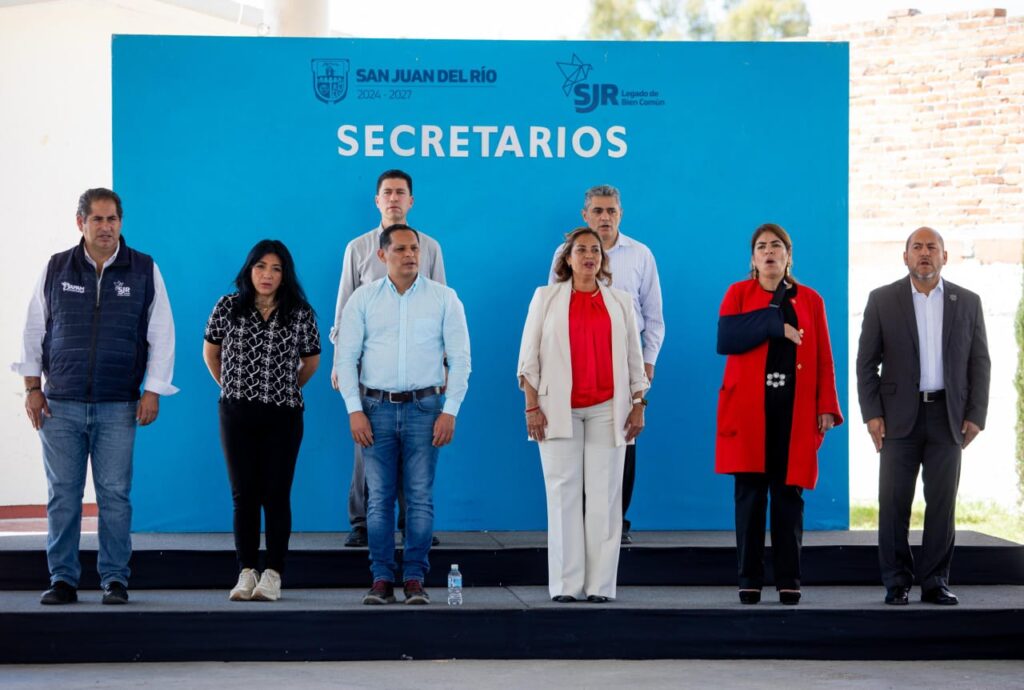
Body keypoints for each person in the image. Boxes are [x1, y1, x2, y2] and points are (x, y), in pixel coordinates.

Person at [14, 187, 177, 605]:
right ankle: (63, 579)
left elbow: (162, 334)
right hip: (60, 405)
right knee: (63, 495)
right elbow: (34, 331)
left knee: (114, 495)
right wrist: (32, 388)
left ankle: (114, 579)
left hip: (119, 405)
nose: (106, 227)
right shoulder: (56, 269)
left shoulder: (143, 269)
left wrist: (153, 390)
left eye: (112, 219)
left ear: (121, 222)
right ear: (80, 223)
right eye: (98, 219)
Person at [336, 224, 470, 605]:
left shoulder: (445, 299)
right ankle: (381, 579)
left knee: (419, 497)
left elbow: (460, 360)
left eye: (415, 249)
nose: (410, 255)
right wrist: (354, 410)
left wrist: (451, 411)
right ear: (382, 256)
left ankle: (414, 578)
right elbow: (346, 358)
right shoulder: (362, 299)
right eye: (400, 249)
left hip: (426, 410)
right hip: (374, 409)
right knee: (378, 499)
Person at [856, 226, 990, 606]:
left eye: (933, 247)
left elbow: (980, 362)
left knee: (943, 502)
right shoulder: (882, 300)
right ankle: (896, 581)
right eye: (917, 247)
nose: (925, 253)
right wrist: (872, 414)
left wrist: (976, 414)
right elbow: (866, 363)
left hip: (948, 416)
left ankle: (935, 581)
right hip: (898, 418)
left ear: (945, 256)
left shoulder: (967, 301)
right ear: (906, 257)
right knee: (894, 501)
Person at [715, 223, 842, 606]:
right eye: (761, 247)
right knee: (750, 498)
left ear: (789, 256)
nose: (769, 252)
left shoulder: (811, 300)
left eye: (776, 246)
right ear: (752, 259)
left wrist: (826, 407)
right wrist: (775, 325)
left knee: (789, 498)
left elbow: (823, 358)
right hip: (749, 410)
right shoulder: (738, 293)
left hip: (794, 410)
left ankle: (789, 580)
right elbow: (727, 338)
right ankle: (748, 580)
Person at [523, 227, 649, 603]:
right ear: (567, 259)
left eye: (595, 250)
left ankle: (600, 588)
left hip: (609, 411)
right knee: (562, 497)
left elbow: (634, 359)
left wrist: (639, 403)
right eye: (581, 250)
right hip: (556, 410)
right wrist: (532, 407)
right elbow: (529, 359)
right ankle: (566, 586)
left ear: (603, 259)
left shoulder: (621, 302)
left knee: (605, 499)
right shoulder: (545, 298)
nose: (589, 256)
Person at [330, 169, 447, 548]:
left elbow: (441, 306)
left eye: (401, 192)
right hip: (370, 366)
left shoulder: (428, 247)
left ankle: (414, 523)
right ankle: (363, 522)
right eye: (387, 193)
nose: (394, 198)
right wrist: (339, 362)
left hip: (419, 368)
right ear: (377, 201)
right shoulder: (358, 248)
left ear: (411, 201)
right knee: (369, 446)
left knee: (416, 448)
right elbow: (344, 310)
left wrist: (444, 362)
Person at [203, 240, 320, 602]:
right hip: (236, 413)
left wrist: (278, 388)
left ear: (286, 275)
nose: (267, 275)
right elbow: (211, 353)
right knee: (244, 495)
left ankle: (273, 573)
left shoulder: (299, 312)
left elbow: (311, 362)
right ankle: (246, 571)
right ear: (248, 269)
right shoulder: (227, 307)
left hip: (283, 413)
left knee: (276, 494)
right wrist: (237, 387)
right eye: (260, 267)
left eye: (276, 268)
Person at [548, 185, 663, 544]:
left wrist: (647, 363)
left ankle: (617, 522)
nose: (605, 217)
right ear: (585, 215)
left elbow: (654, 318)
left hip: (625, 365)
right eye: (597, 211)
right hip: (576, 365)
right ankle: (581, 524)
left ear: (621, 214)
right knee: (576, 449)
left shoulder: (640, 255)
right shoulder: (564, 254)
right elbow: (551, 312)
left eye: (611, 211)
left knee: (623, 444)